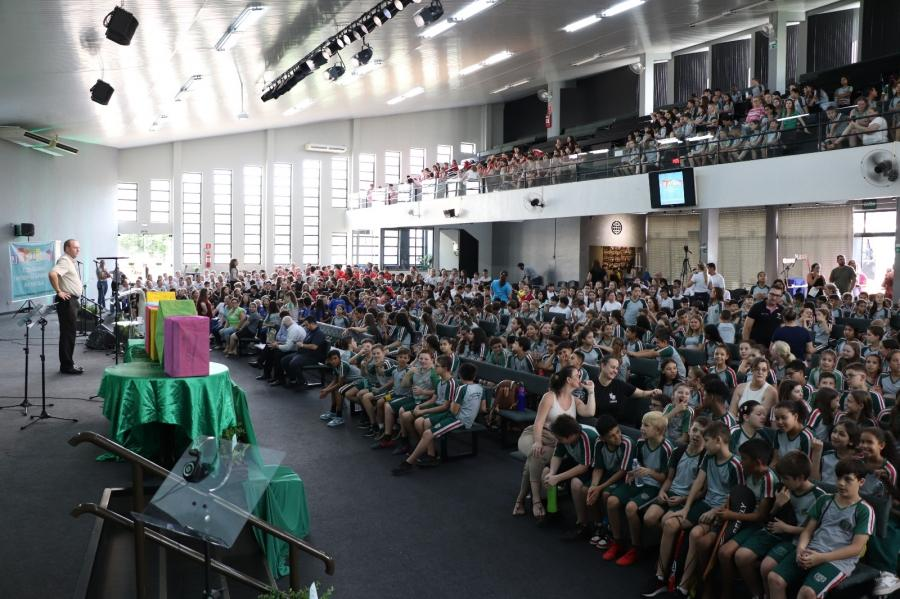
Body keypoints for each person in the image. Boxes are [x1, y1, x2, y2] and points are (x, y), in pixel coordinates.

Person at [766, 459, 874, 599]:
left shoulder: (864, 510)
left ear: (861, 482)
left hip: (837, 561)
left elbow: (856, 548)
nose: (841, 483)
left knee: (807, 593)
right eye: (839, 477)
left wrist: (822, 558)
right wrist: (800, 550)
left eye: (848, 480)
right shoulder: (825, 500)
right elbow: (807, 531)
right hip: (812, 549)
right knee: (774, 578)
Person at [48, 239, 84, 374]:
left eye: (79, 248)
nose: (78, 250)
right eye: (75, 247)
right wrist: (59, 291)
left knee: (69, 333)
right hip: (67, 302)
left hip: (70, 301)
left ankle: (68, 364)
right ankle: (67, 366)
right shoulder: (64, 260)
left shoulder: (69, 261)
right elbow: (52, 274)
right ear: (67, 248)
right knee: (68, 334)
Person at [284, 316, 329, 388]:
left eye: (307, 325)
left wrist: (302, 345)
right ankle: (293, 379)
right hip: (303, 354)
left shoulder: (319, 333)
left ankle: (302, 381)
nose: (306, 326)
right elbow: (305, 342)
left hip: (313, 357)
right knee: (284, 360)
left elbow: (314, 346)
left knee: (294, 363)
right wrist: (299, 342)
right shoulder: (310, 331)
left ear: (312, 323)